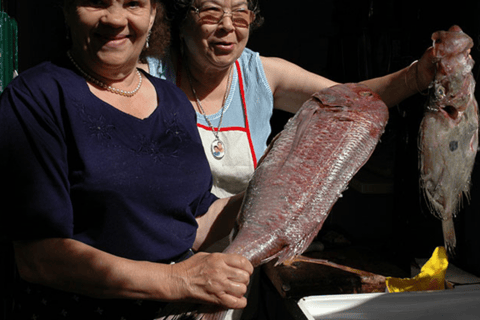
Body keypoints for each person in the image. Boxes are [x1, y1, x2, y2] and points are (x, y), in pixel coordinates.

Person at [0, 0, 254, 319]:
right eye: (96, 2)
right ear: (67, 10)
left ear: (151, 16)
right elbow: (39, 256)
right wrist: (178, 280)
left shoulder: (173, 99)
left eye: (133, 4)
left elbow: (192, 222)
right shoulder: (37, 97)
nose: (116, 19)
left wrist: (267, 193)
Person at [144, 0, 438, 199]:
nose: (227, 25)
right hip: (170, 259)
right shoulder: (150, 76)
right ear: (181, 21)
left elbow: (352, 100)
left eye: (240, 12)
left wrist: (416, 76)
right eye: (210, 12)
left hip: (243, 260)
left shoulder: (261, 75)